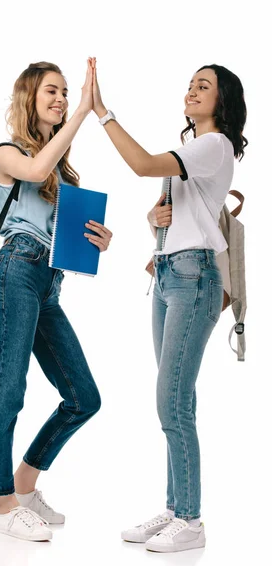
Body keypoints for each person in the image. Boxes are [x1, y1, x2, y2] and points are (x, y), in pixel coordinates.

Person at [90, 58, 247, 553]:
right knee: (177, 399)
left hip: (193, 279)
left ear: (222, 102)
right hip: (167, 273)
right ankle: (177, 507)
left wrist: (102, 112)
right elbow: (178, 218)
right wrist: (155, 218)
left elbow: (140, 165)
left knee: (171, 401)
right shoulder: (189, 149)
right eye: (191, 84)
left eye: (205, 86)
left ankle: (192, 521)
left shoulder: (213, 144)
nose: (193, 90)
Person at [0, 60, 112, 542]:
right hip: (13, 273)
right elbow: (35, 169)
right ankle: (2, 505)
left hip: (47, 284)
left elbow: (62, 232)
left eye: (64, 92)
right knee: (8, 389)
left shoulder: (62, 168)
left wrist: (97, 239)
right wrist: (83, 109)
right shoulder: (8, 152)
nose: (59, 98)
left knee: (83, 398)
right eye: (51, 92)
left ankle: (25, 485)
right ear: (29, 99)